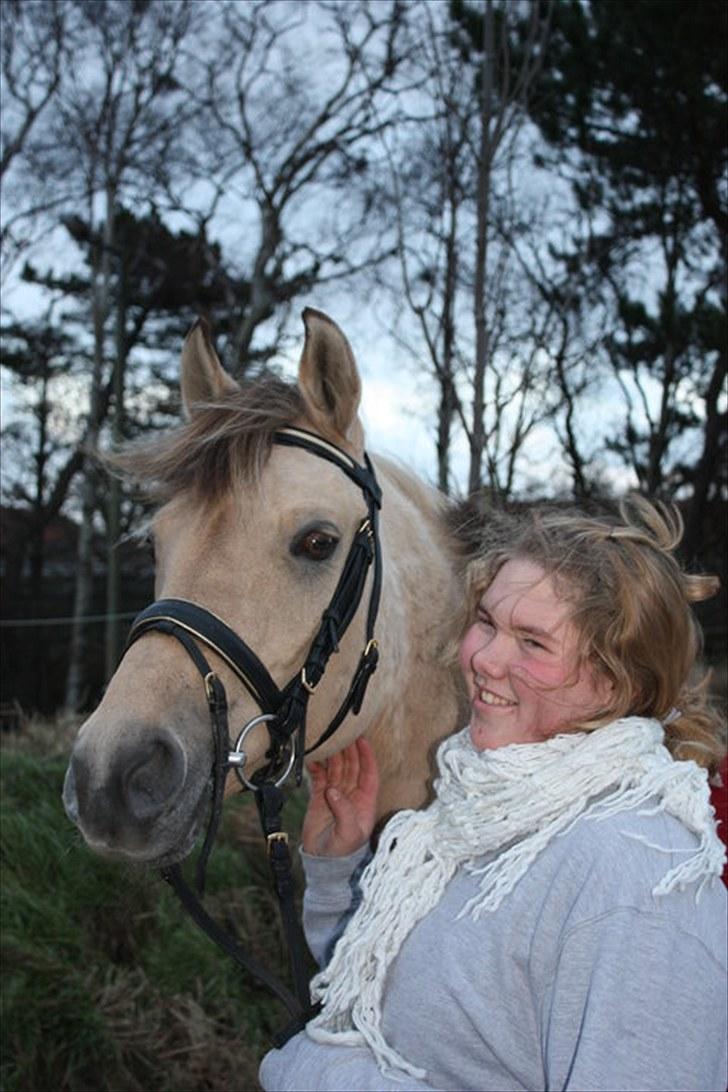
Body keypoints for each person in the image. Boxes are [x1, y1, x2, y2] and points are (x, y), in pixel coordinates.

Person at [259, 498, 727, 1092]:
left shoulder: (636, 877)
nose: (483, 658)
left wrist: (325, 1076)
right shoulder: (483, 809)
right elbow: (407, 1013)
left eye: (532, 643)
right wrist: (339, 872)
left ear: (615, 683)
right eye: (486, 622)